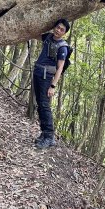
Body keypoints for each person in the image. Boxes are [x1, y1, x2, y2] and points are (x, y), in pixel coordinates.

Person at [33, 18, 70, 149]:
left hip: (46, 77)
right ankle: (44, 133)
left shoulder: (62, 47)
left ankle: (49, 137)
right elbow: (35, 34)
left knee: (44, 105)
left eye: (61, 30)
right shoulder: (48, 37)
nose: (58, 30)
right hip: (37, 72)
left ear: (64, 33)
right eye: (57, 27)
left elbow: (60, 67)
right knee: (40, 104)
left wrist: (53, 85)